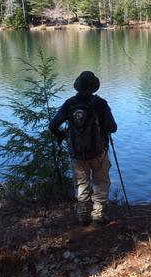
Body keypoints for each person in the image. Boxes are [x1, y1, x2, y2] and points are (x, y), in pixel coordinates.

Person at [49, 71, 117, 226]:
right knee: (101, 182)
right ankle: (98, 217)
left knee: (81, 184)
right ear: (94, 87)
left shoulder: (69, 103)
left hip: (77, 153)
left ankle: (83, 217)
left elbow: (52, 126)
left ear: (78, 86)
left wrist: (63, 136)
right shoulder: (100, 103)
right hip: (98, 152)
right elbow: (113, 128)